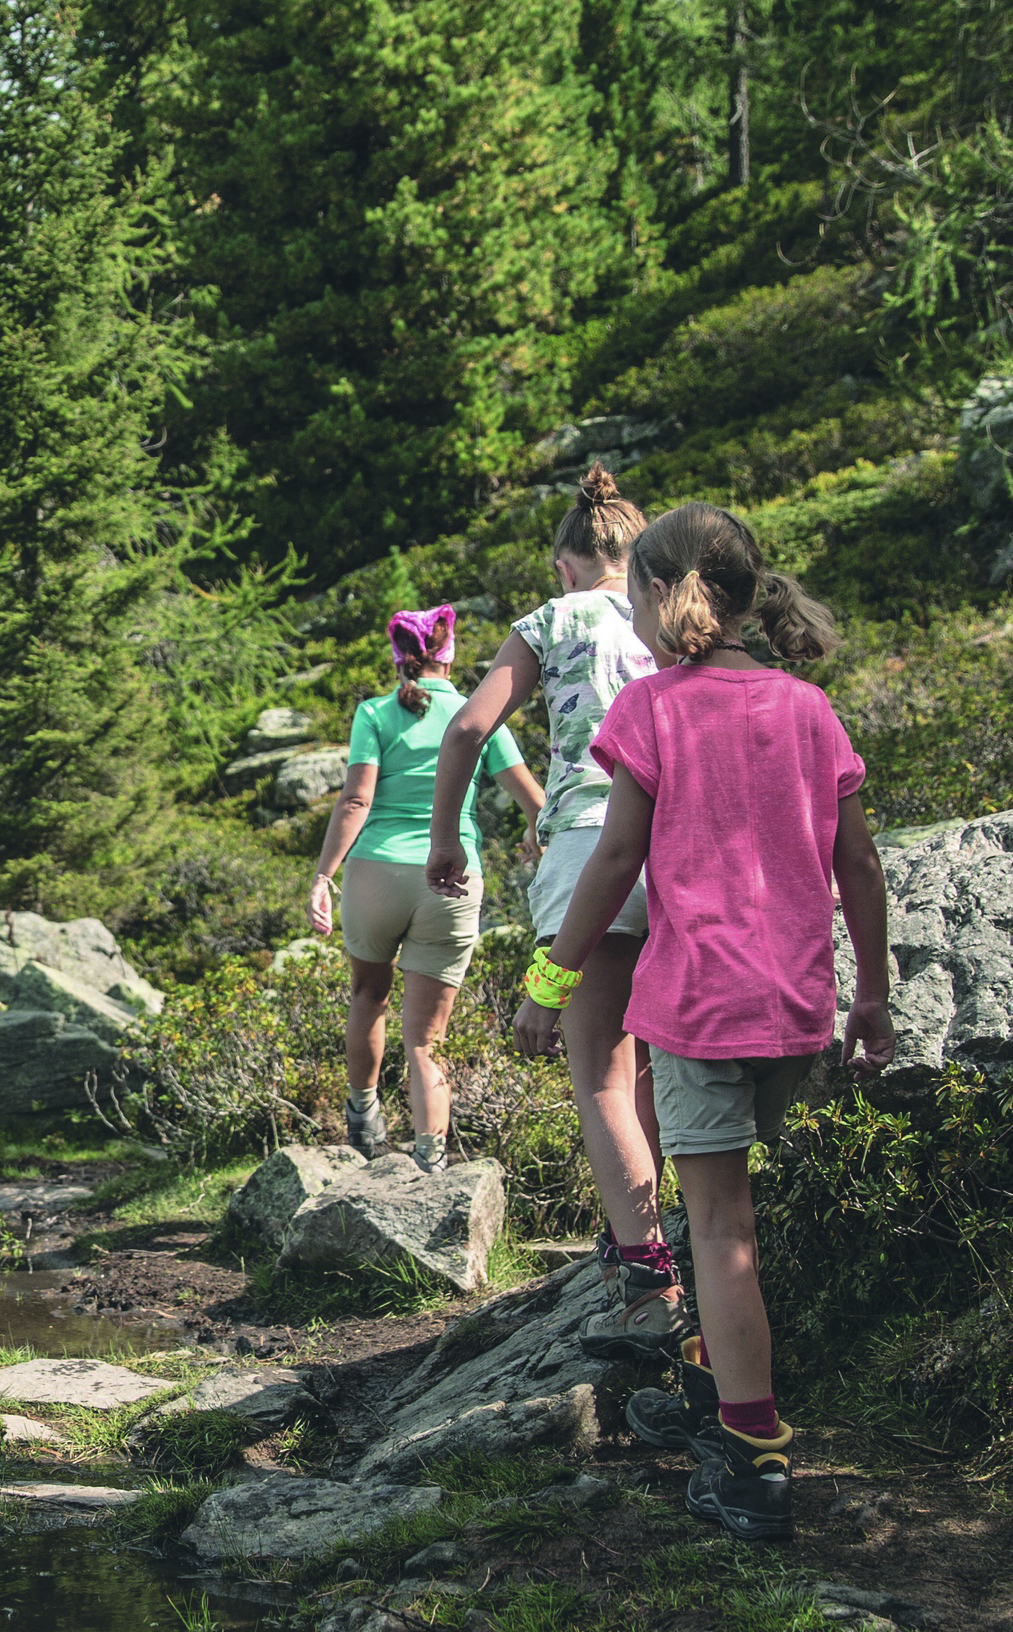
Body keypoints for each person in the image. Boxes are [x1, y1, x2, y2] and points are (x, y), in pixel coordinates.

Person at [531, 506, 888, 1546]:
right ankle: (713, 1384)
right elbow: (856, 862)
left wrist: (550, 985)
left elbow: (611, 861)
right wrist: (873, 995)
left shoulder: (650, 709)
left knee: (720, 1232)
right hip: (797, 1008)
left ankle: (751, 1448)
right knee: (731, 1211)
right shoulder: (808, 708)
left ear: (654, 596)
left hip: (699, 1005)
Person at [428, 465, 672, 1335]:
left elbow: (468, 728)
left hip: (585, 852)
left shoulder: (551, 620)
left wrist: (449, 836)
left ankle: (646, 1270)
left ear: (563, 564)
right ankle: (663, 1230)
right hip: (677, 851)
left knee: (599, 1075)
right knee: (651, 1062)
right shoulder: (668, 622)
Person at [307, 605, 546, 1165]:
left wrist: (323, 875)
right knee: (427, 1037)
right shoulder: (477, 712)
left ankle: (363, 1119)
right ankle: (429, 1157)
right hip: (453, 880)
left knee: (368, 996)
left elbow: (357, 800)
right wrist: (538, 842)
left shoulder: (375, 713)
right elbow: (533, 799)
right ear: (451, 652)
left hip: (375, 872)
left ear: (398, 657)